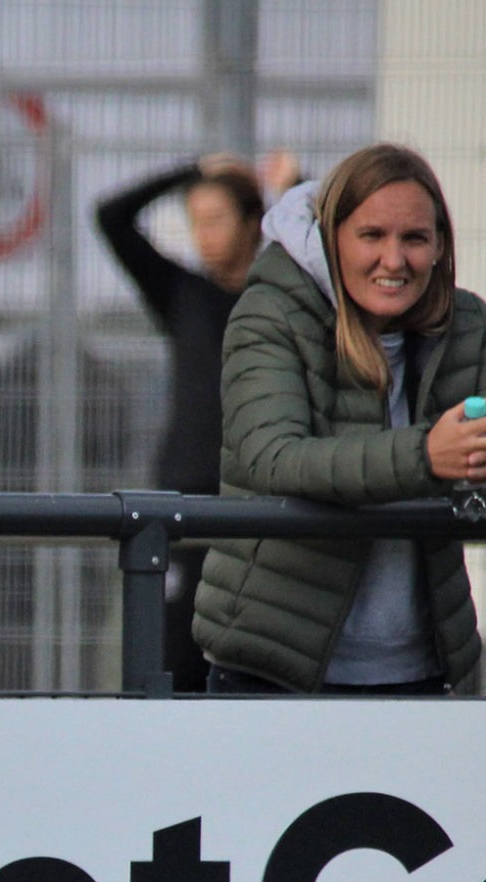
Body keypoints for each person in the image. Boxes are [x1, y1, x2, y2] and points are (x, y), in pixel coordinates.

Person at [194, 142, 485, 695]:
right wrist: (427, 456)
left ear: (441, 245)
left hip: (426, 669)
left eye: (414, 238)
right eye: (372, 236)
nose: (394, 261)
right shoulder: (271, 311)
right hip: (273, 665)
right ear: (331, 239)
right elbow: (273, 458)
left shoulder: (467, 322)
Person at [94, 155, 265, 691]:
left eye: (217, 219)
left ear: (253, 223)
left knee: (250, 660)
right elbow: (111, 217)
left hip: (256, 503)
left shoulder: (278, 303)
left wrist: (294, 186)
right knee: (177, 655)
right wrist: (190, 169)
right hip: (185, 502)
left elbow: (326, 254)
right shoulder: (181, 293)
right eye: (196, 221)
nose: (204, 234)